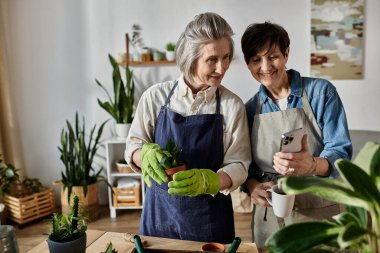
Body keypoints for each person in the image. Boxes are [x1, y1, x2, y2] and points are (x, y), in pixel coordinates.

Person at [125, 12, 251, 244]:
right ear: (191, 57)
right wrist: (143, 154)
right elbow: (134, 144)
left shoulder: (232, 106)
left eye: (226, 58)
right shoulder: (155, 97)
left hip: (210, 221)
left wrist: (211, 180)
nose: (222, 67)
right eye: (212, 59)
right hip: (159, 217)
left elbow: (240, 164)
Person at [240, 22, 352, 249]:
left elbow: (340, 153)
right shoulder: (250, 109)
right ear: (247, 64)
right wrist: (252, 187)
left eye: (272, 57)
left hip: (321, 211)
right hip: (270, 216)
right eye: (255, 60)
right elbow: (246, 167)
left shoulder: (321, 92)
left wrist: (311, 164)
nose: (265, 67)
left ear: (286, 53)